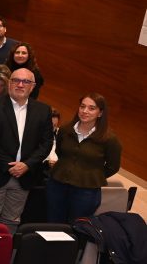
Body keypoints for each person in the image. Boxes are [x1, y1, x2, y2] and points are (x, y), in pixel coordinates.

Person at [0, 68, 54, 231]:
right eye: (16, 80)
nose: (20, 85)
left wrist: (27, 165)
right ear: (9, 83)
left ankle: (6, 248)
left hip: (24, 176)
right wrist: (8, 165)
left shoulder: (43, 110)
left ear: (32, 86)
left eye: (26, 81)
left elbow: (46, 143)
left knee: (12, 220)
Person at [46, 93, 122, 222]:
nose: (85, 111)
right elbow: (60, 152)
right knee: (53, 222)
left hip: (86, 192)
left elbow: (113, 166)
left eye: (91, 108)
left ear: (100, 113)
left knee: (78, 226)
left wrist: (91, 175)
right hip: (57, 185)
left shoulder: (109, 139)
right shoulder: (65, 130)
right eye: (82, 106)